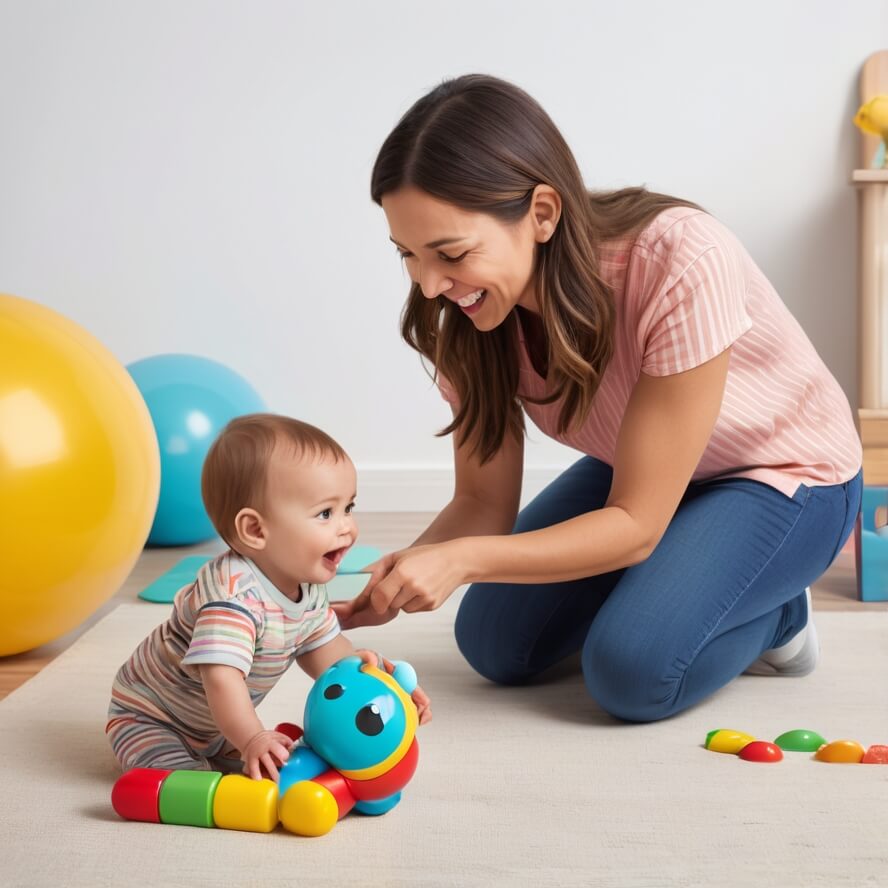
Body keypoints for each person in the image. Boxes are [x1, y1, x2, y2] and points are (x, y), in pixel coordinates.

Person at [333, 74, 863, 723]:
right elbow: (480, 503)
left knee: (630, 672)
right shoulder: (472, 316)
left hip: (787, 479)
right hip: (651, 477)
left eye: (451, 253)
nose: (431, 283)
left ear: (542, 214)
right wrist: (394, 576)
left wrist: (463, 560)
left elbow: (637, 524)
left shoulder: (678, 259)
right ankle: (686, 574)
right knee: (494, 644)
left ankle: (780, 611)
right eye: (408, 254)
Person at [106, 413, 431, 780]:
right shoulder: (232, 600)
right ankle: (189, 774)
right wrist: (252, 737)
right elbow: (222, 680)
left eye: (348, 508)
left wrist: (380, 682)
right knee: (186, 775)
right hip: (152, 717)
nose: (348, 527)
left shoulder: (304, 582)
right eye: (326, 513)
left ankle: (227, 746)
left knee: (275, 765)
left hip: (211, 727)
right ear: (256, 530)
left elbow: (322, 649)